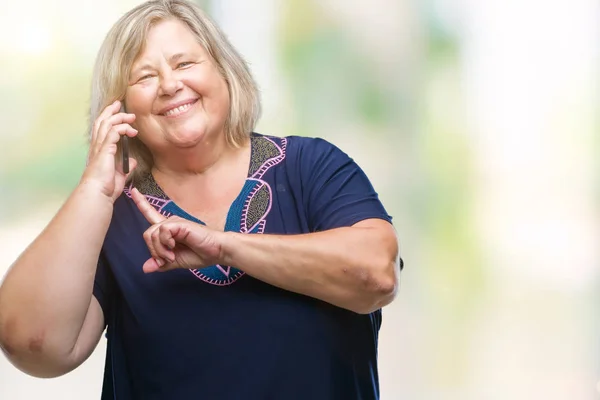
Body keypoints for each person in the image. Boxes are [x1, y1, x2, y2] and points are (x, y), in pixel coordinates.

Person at [0, 0, 402, 399]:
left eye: (184, 64)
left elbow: (376, 276)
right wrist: (94, 188)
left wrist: (225, 246)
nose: (170, 85)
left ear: (225, 71)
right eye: (144, 77)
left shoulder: (311, 166)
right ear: (121, 111)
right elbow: (34, 345)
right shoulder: (108, 217)